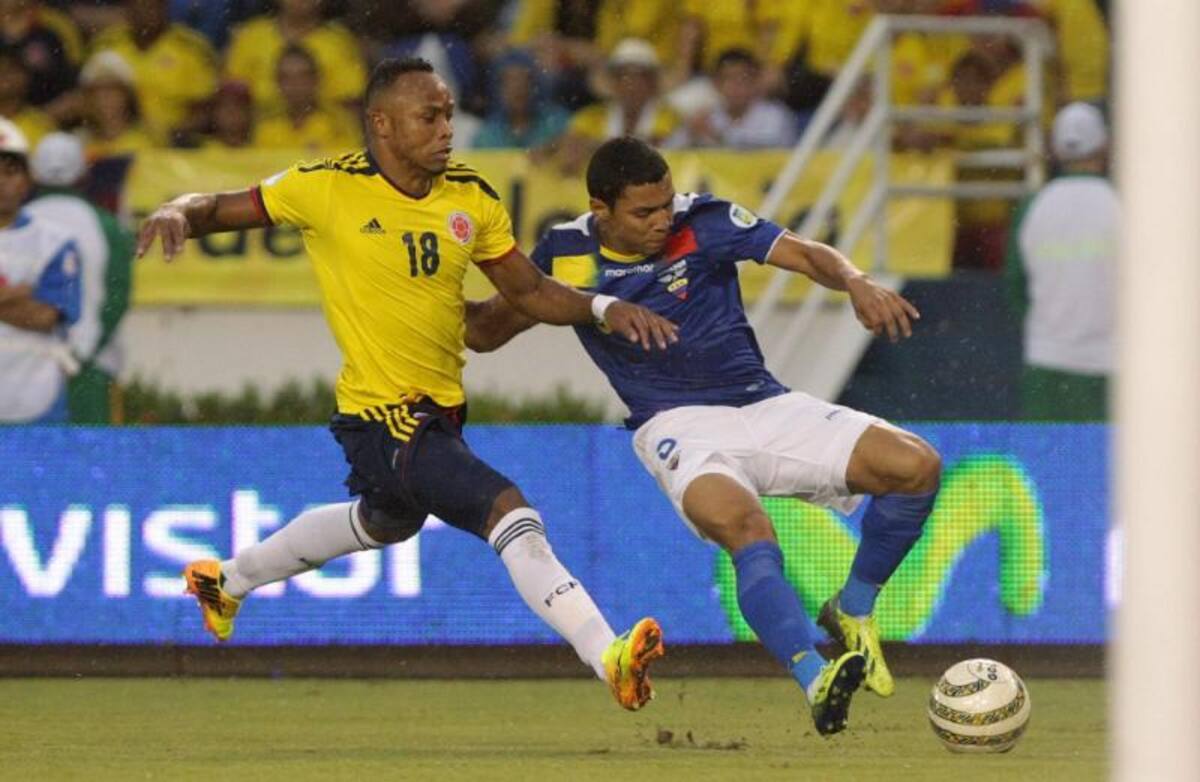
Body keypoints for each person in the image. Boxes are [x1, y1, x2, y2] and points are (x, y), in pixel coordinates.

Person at [135, 58, 679, 712]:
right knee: (510, 511)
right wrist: (176, 208)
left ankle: (225, 581)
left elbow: (527, 291)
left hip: (440, 412)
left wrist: (598, 307)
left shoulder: (470, 196)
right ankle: (606, 654)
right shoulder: (326, 187)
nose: (447, 129)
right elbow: (220, 209)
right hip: (383, 414)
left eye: (449, 113)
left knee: (385, 522)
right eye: (431, 116)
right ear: (383, 124)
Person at [464, 137, 942, 736]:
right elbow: (486, 331)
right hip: (678, 427)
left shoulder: (705, 221)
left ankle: (853, 609)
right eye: (645, 212)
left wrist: (856, 281)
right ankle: (816, 681)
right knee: (749, 531)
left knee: (917, 467)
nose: (663, 220)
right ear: (600, 208)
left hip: (765, 405)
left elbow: (803, 253)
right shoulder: (564, 253)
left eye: (666, 204)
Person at [1005, 102, 1115, 420]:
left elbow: (1015, 287)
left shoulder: (1032, 207)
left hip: (1046, 364)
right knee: (1108, 467)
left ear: (1055, 149)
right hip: (1112, 367)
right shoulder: (1126, 204)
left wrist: (1050, 330)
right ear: (1105, 144)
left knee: (1049, 465)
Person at [26, 131, 133, 423]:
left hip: (23, 370)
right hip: (92, 369)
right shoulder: (107, 226)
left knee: (21, 462)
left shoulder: (14, 223)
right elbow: (118, 296)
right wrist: (84, 352)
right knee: (93, 462)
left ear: (33, 173)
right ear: (83, 174)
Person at [0, 118, 81, 423]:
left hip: (36, 399)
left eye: (10, 171)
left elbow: (47, 316)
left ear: (26, 180)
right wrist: (17, 295)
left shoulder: (55, 242)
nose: (1, 181)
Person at [90, 0, 217, 144]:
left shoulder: (192, 49)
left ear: (165, 6)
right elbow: (86, 99)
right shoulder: (107, 45)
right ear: (127, 7)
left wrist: (172, 133)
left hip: (175, 148)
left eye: (153, 5)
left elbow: (208, 110)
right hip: (113, 143)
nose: (146, 11)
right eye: (140, 5)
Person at [685, 48, 799, 149]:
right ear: (717, 84)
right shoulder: (708, 116)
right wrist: (691, 134)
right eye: (729, 78)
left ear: (755, 81)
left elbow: (763, 154)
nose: (736, 86)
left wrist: (716, 137)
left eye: (743, 78)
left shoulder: (776, 116)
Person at [253, 44, 358, 152]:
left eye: (302, 76)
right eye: (286, 78)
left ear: (316, 80)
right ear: (277, 82)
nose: (294, 84)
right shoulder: (265, 128)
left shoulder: (339, 125)